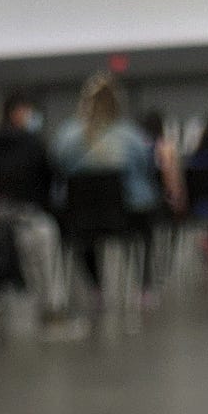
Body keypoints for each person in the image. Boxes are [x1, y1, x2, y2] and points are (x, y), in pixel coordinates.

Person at [52, 74, 160, 294]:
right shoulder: (130, 134)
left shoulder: (66, 135)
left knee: (83, 236)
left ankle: (96, 287)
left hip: (80, 220)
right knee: (144, 226)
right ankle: (143, 285)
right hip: (126, 217)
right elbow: (145, 166)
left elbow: (57, 166)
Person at [0, 91, 72, 327]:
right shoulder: (33, 143)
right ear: (18, 112)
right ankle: (53, 309)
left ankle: (4, 304)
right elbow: (51, 178)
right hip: (29, 218)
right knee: (48, 246)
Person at [139, 108, 185, 215]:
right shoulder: (166, 147)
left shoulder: (140, 146)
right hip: (162, 198)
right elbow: (170, 177)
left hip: (142, 196)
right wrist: (177, 202)